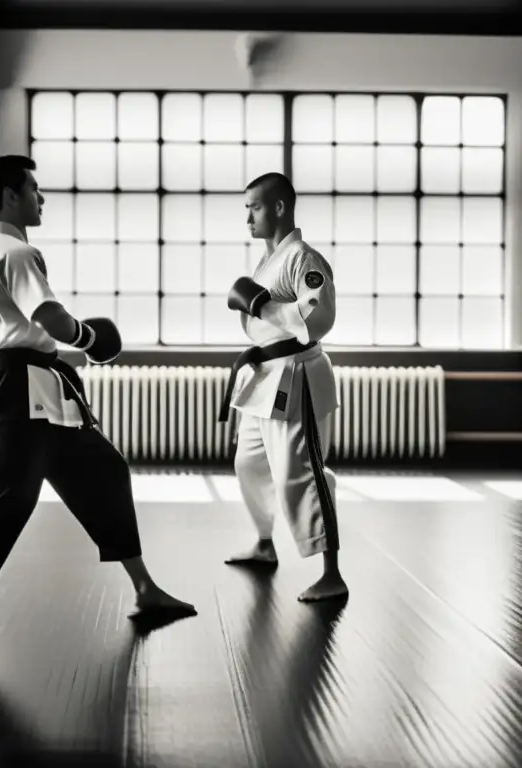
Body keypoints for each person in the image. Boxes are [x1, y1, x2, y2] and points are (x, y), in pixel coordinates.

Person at [0, 155, 195, 639]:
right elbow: (50, 316)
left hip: (33, 383)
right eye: (33, 189)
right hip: (16, 385)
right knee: (5, 499)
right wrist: (89, 338)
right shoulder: (17, 253)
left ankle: (144, 587)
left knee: (105, 471)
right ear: (10, 195)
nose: (40, 198)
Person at [218, 172, 348, 603]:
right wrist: (259, 304)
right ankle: (264, 541)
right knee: (249, 464)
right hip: (264, 378)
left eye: (253, 207)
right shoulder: (270, 260)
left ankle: (332, 572)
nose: (247, 218)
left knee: (301, 473)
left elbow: (318, 319)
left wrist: (261, 303)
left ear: (277, 207)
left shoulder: (303, 259)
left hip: (297, 376)